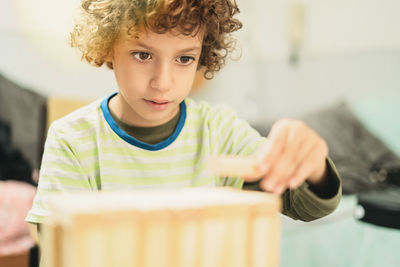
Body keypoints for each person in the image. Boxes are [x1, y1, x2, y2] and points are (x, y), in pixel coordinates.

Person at [26, 0, 341, 238]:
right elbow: (61, 249)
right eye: (143, 55)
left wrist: (311, 166)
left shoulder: (220, 132)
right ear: (109, 46)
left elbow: (309, 206)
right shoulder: (71, 140)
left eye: (184, 58)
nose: (162, 82)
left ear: (202, 55)